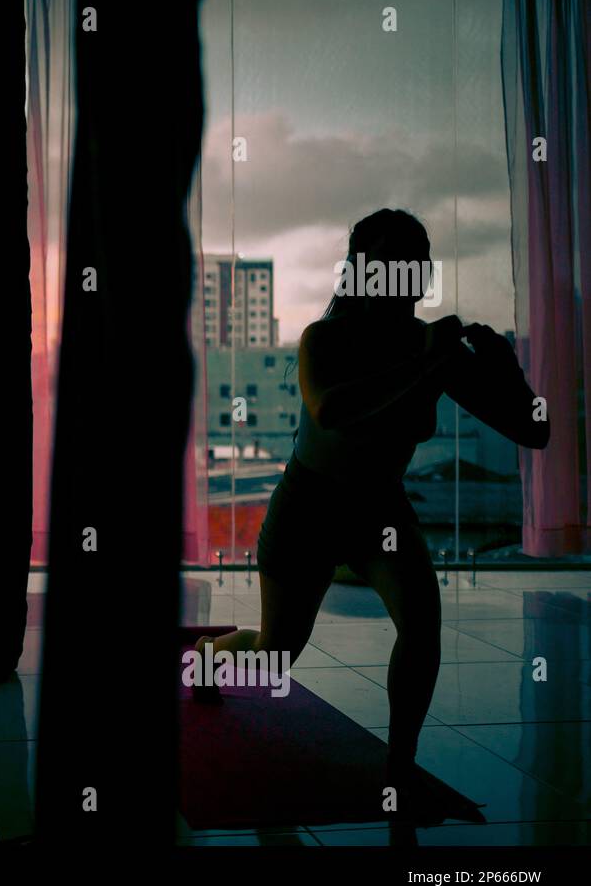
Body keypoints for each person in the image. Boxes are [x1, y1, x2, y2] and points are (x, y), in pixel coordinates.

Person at [192, 208, 549, 811]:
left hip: (379, 509)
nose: (405, 272)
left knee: (422, 627)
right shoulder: (325, 340)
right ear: (362, 271)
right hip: (307, 506)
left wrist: (508, 369)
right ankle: (207, 659)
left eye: (415, 259)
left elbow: (531, 431)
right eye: (390, 260)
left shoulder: (429, 346)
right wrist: (429, 364)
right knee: (276, 657)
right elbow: (331, 411)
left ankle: (399, 766)